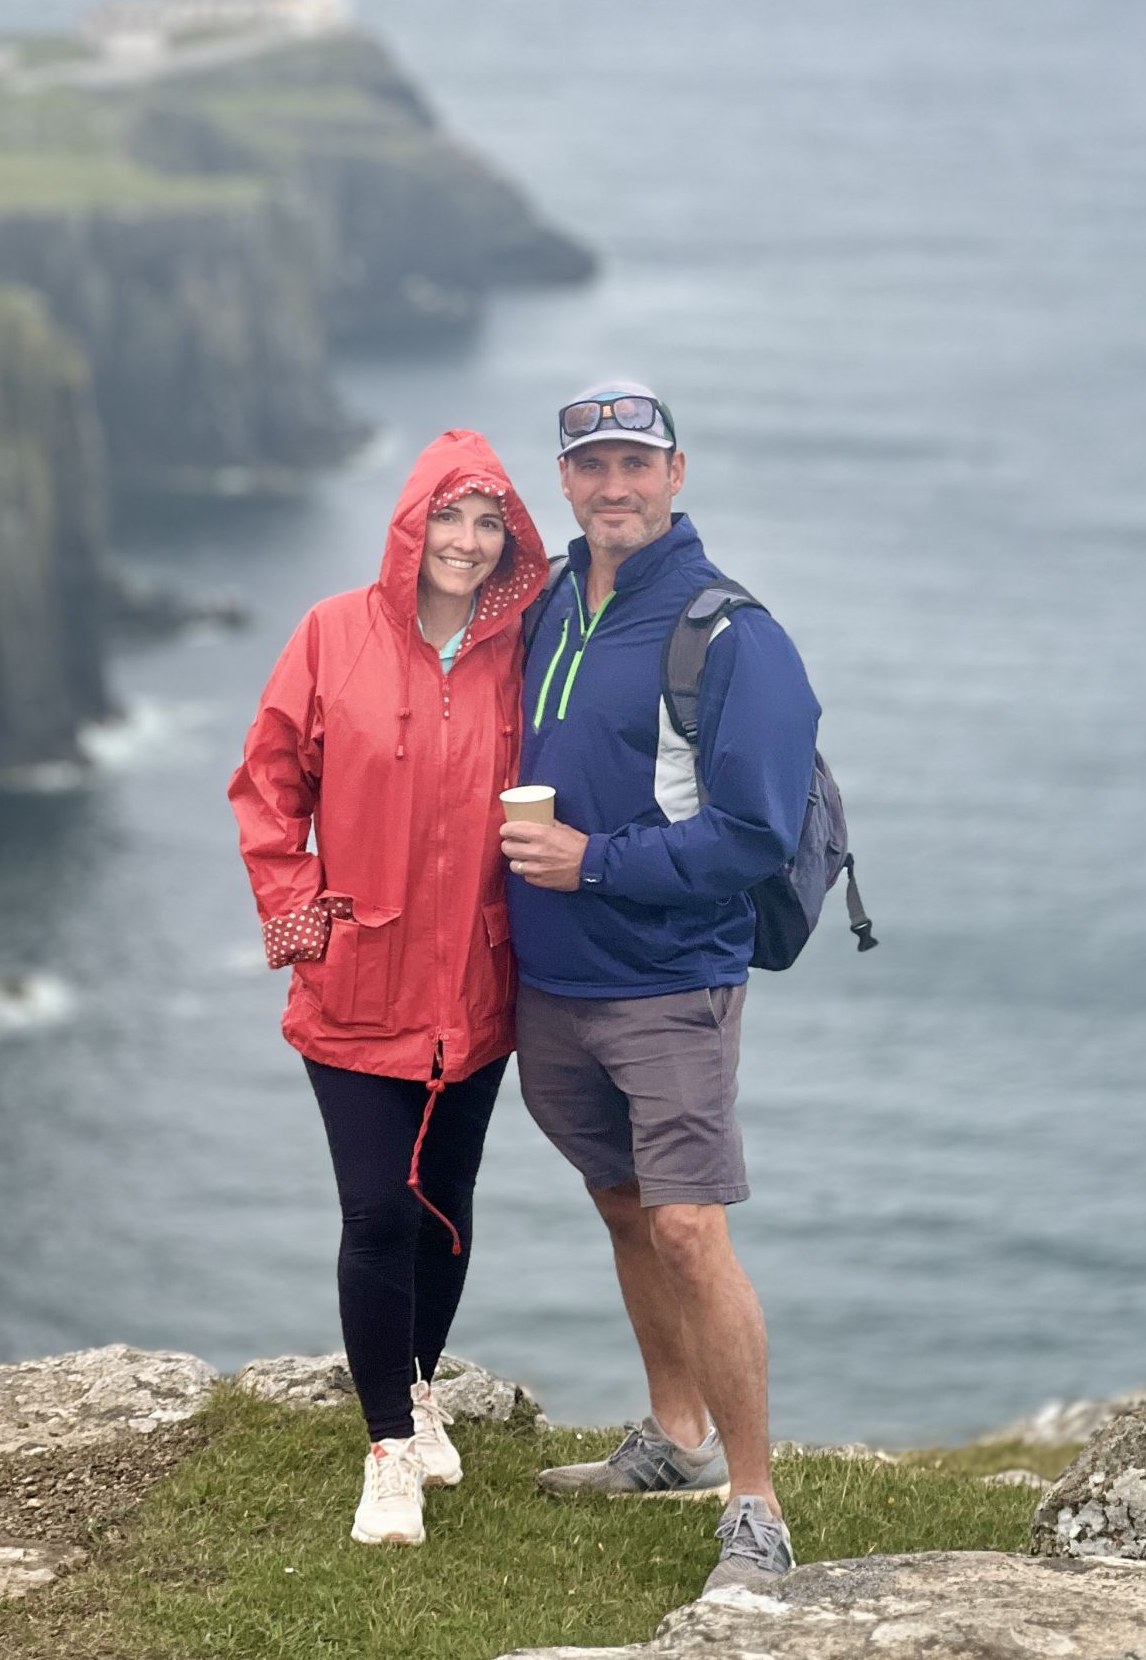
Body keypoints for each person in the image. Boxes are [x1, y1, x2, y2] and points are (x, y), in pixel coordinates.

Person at [500, 382, 819, 1596]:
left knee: (688, 1225)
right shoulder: (544, 611)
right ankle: (675, 1439)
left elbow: (753, 833)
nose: (614, 486)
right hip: (553, 980)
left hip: (669, 983)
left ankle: (755, 1500)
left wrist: (593, 864)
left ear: (677, 475)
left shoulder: (730, 631)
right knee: (625, 1205)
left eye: (637, 464)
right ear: (566, 483)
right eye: (592, 468)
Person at [229, 429, 546, 1548]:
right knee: (373, 1209)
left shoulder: (525, 649)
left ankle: (416, 1387)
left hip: (480, 983)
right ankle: (387, 1455)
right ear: (412, 526)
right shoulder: (332, 635)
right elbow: (268, 783)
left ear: (510, 536)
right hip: (359, 979)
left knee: (441, 1210)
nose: (465, 541)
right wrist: (306, 921)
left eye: (487, 520)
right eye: (448, 517)